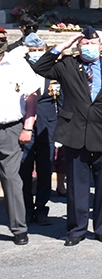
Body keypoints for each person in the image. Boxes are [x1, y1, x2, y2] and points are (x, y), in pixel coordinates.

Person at [33, 27, 102, 246]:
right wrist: (63, 44)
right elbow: (40, 67)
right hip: (75, 132)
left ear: (100, 46)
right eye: (84, 44)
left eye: (92, 43)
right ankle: (76, 229)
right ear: (78, 46)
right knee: (77, 185)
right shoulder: (68, 65)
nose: (89, 47)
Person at [0, 27, 38, 245]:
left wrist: (28, 126)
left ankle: (18, 228)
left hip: (10, 128)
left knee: (11, 178)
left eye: (2, 39)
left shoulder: (17, 63)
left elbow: (31, 94)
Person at [18, 33, 56, 226]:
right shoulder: (19, 69)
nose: (36, 54)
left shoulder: (52, 70)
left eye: (40, 50)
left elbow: (62, 100)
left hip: (48, 128)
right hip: (25, 126)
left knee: (45, 170)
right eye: (32, 51)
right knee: (24, 169)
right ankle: (25, 209)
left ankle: (42, 209)